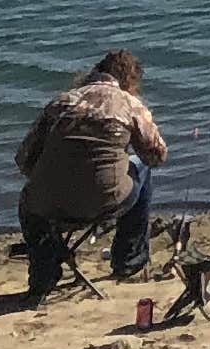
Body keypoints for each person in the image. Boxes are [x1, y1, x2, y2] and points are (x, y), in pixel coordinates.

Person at [16, 49, 168, 297]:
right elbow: (156, 156)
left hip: (50, 205)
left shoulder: (61, 102)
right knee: (140, 168)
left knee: (29, 201)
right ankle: (129, 260)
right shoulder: (129, 104)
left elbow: (24, 160)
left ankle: (44, 272)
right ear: (130, 80)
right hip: (105, 200)